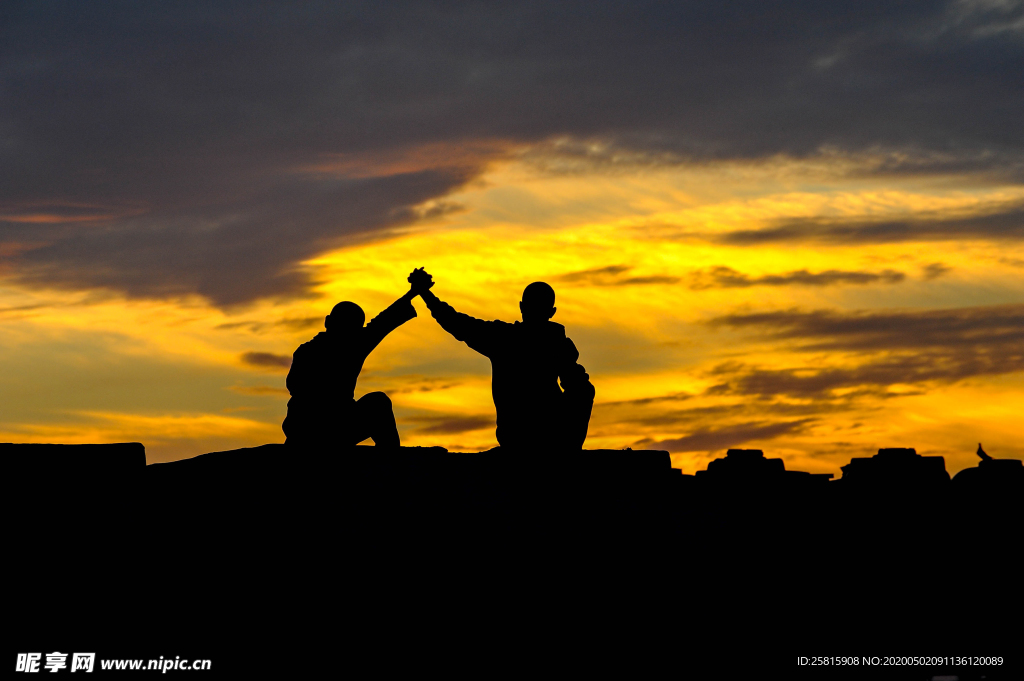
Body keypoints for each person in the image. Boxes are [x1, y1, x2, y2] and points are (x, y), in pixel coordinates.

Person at [411, 270, 595, 451]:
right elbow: (457, 322)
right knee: (585, 389)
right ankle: (566, 450)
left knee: (584, 389)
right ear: (552, 312)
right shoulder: (543, 341)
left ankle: (565, 449)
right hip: (536, 434)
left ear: (522, 307)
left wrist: (425, 293)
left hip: (524, 434)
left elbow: (456, 322)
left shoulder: (506, 339)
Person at [282, 270, 433, 449]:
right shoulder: (315, 351)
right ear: (329, 322)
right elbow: (296, 387)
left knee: (378, 402)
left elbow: (382, 322)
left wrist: (413, 292)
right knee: (378, 403)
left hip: (331, 427)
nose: (350, 332)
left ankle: (391, 457)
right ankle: (392, 459)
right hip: (312, 430)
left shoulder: (349, 346)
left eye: (353, 328)